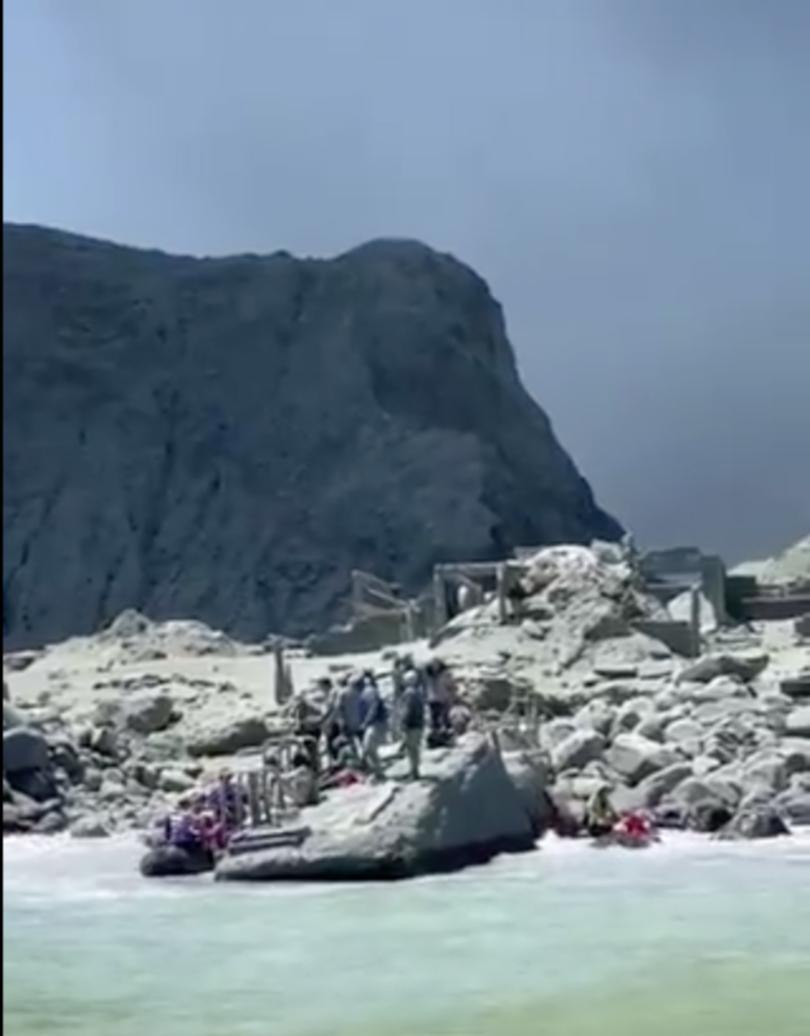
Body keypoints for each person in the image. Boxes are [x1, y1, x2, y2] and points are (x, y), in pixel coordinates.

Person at [360, 678, 388, 780]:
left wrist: (366, 721)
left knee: (369, 748)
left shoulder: (370, 692)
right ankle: (378, 772)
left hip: (375, 723)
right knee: (370, 749)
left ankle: (378, 772)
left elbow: (373, 708)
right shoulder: (370, 691)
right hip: (374, 723)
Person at [399, 670, 425, 780]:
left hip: (412, 724)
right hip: (419, 723)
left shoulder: (409, 693)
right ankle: (415, 770)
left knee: (411, 749)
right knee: (415, 749)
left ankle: (414, 772)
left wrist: (403, 722)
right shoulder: (418, 692)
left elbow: (407, 709)